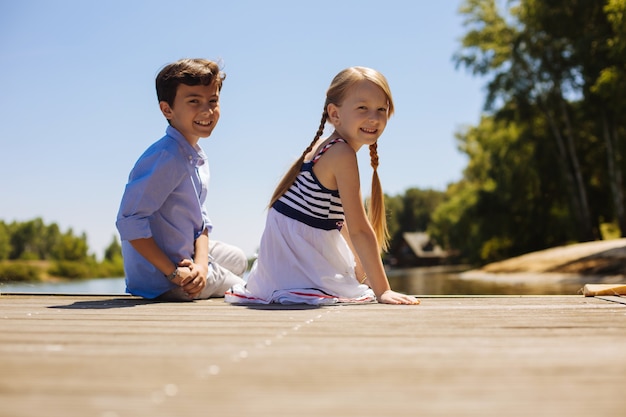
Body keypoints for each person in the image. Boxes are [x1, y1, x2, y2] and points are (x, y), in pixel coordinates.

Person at [226, 66, 419, 305]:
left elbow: (339, 220)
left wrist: (364, 275)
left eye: (381, 109)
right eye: (362, 108)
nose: (374, 117)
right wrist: (383, 290)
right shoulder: (341, 153)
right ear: (334, 114)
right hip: (297, 265)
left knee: (358, 282)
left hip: (284, 261)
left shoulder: (326, 145)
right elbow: (359, 229)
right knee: (360, 290)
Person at [116, 58, 247, 301]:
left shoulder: (194, 156)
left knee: (238, 258)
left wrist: (202, 266)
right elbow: (129, 222)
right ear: (167, 110)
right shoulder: (167, 157)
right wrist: (174, 273)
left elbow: (202, 224)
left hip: (185, 253)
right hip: (165, 278)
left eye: (213, 101)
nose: (207, 111)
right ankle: (198, 280)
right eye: (194, 101)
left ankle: (206, 272)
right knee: (249, 291)